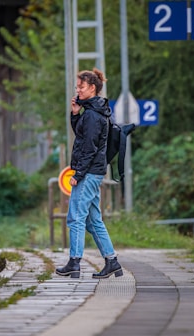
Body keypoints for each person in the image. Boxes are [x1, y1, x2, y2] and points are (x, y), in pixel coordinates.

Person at [55, 68, 123, 280]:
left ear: (92, 88)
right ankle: (112, 261)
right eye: (77, 86)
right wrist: (75, 114)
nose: (77, 90)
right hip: (94, 171)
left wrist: (78, 173)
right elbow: (82, 136)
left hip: (89, 172)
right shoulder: (92, 111)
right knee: (93, 221)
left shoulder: (94, 114)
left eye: (81, 87)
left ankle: (75, 263)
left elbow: (90, 148)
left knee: (75, 217)